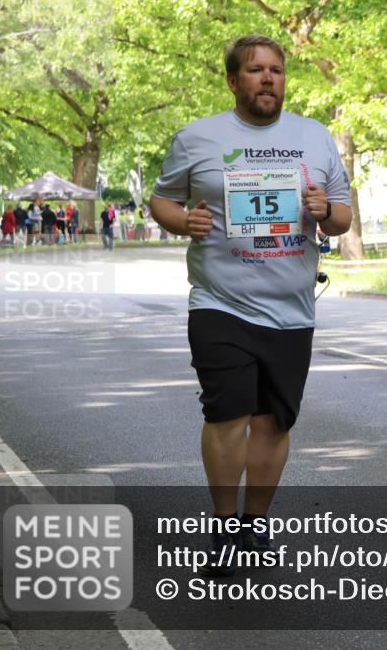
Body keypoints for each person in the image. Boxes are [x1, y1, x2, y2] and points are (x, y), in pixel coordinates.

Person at [150, 34, 351, 574]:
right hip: (220, 302)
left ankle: (253, 527)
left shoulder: (314, 137)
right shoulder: (198, 137)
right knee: (227, 414)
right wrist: (180, 221)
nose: (268, 78)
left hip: (291, 307)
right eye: (257, 70)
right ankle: (222, 529)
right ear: (233, 80)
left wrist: (323, 207)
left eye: (277, 70)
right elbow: (162, 198)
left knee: (272, 425)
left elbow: (342, 218)